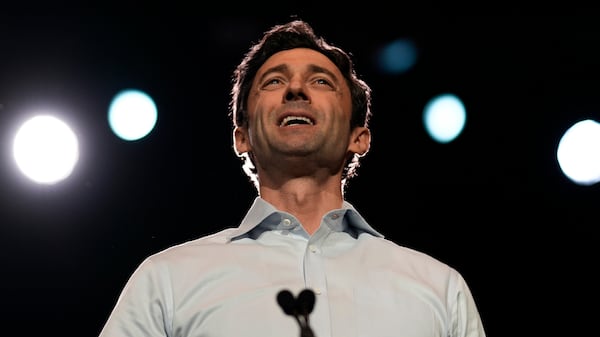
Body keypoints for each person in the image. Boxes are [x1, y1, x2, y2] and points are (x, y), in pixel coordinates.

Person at [98, 19, 487, 337]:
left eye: (321, 81)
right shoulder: (166, 281)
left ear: (359, 136)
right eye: (273, 82)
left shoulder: (440, 289)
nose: (296, 89)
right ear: (243, 137)